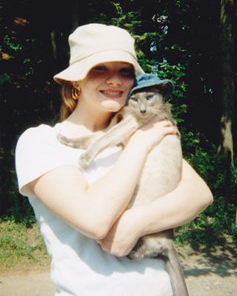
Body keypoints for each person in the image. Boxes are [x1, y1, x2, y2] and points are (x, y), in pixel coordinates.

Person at [15, 23, 213, 296]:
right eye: (99, 69)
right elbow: (95, 221)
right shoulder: (41, 142)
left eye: (125, 71)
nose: (115, 80)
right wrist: (140, 145)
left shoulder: (143, 126)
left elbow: (199, 194)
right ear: (76, 80)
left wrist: (135, 223)